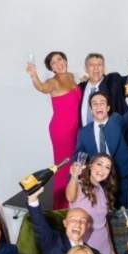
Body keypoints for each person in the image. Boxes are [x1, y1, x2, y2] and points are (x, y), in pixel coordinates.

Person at [26, 50, 80, 209]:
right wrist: (34, 75)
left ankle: (77, 200)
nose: (58, 64)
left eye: (60, 59)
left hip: (77, 128)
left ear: (65, 60)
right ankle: (62, 206)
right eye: (53, 63)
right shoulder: (53, 82)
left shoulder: (71, 76)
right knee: (64, 167)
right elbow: (42, 88)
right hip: (62, 129)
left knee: (77, 164)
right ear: (51, 68)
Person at [75, 91, 128, 208]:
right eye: (95, 104)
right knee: (102, 210)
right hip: (98, 179)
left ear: (108, 108)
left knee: (126, 210)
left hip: (121, 176)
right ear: (91, 109)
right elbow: (79, 156)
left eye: (102, 103)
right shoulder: (83, 132)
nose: (98, 106)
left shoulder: (116, 120)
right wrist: (76, 172)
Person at [66, 154, 118, 254]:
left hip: (103, 246)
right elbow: (70, 197)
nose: (102, 169)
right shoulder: (78, 184)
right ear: (90, 165)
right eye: (99, 164)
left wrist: (111, 250)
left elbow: (104, 223)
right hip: (85, 246)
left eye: (107, 167)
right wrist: (73, 176)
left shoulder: (102, 189)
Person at [78, 49, 128, 146]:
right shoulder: (80, 88)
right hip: (88, 142)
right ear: (86, 68)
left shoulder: (114, 80)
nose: (96, 68)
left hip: (116, 141)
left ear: (104, 68)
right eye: (92, 65)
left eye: (99, 65)